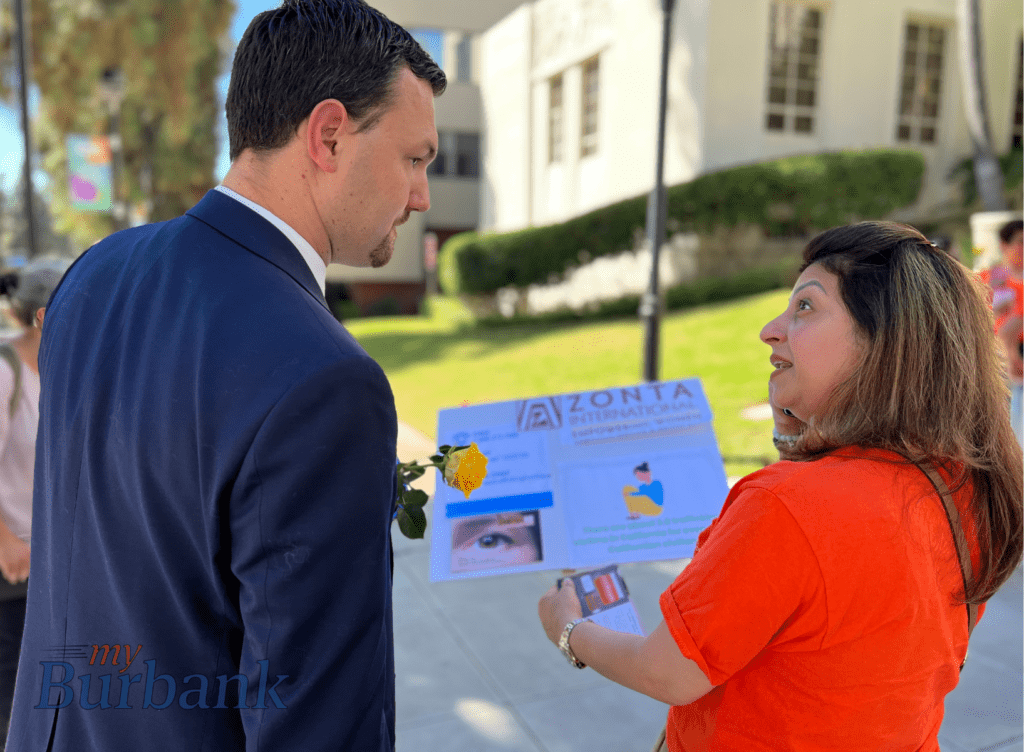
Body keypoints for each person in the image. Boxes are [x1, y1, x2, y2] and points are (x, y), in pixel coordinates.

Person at [6, 2, 444, 750]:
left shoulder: (93, 275)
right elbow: (319, 721)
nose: (422, 195)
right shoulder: (326, 378)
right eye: (415, 158)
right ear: (328, 135)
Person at [538, 221, 1023, 750]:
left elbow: (668, 672)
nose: (770, 330)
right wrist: (803, 438)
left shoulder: (785, 504)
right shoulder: (966, 486)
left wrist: (570, 630)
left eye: (805, 307)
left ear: (884, 343)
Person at [0, 259, 69, 749]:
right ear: (44, 316)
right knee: (13, 692)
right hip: (13, 566)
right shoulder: (5, 372)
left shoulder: (67, 368)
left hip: (56, 559)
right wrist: (6, 542)